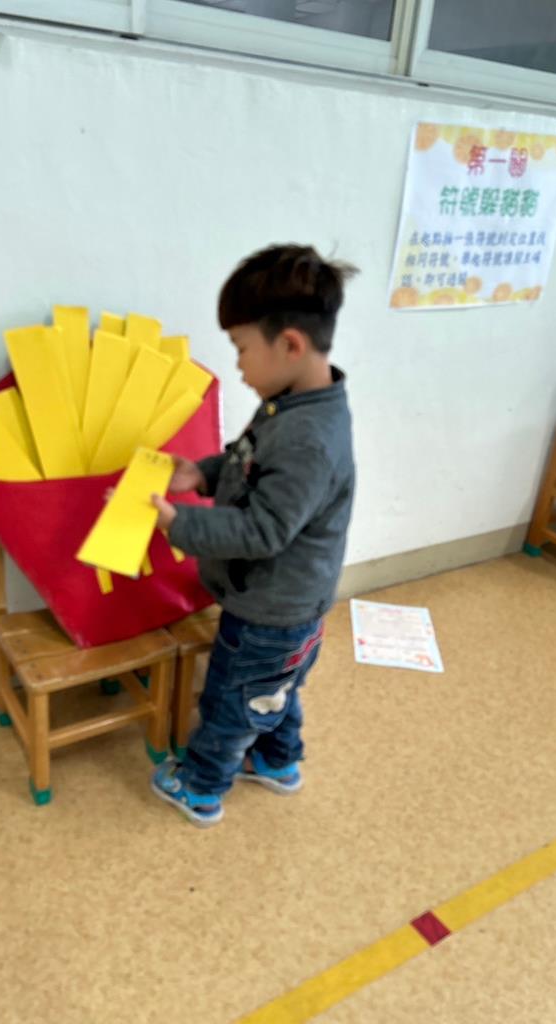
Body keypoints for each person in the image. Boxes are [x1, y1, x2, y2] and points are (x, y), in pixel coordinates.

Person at [151, 244, 357, 826]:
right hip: (286, 603)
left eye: (242, 348)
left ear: (289, 344)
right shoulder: (290, 405)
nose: (238, 365)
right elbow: (249, 463)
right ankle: (277, 761)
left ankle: (201, 786)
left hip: (272, 609)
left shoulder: (308, 436)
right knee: (273, 689)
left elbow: (264, 528)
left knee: (232, 699)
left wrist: (178, 523)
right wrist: (202, 474)